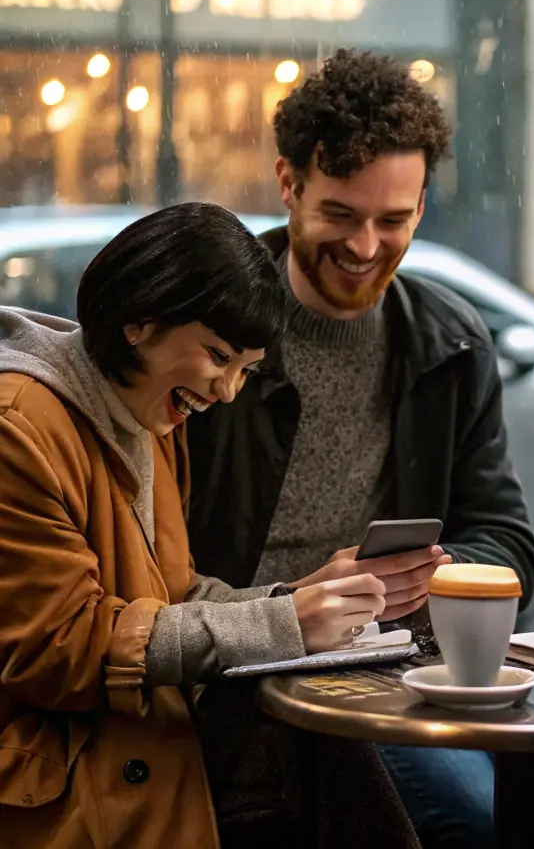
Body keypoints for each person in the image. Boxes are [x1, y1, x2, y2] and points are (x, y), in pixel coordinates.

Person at [185, 48, 534, 849]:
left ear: (422, 205)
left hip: (380, 668)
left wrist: (427, 575)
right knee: (465, 819)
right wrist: (290, 606)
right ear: (288, 184)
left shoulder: (448, 341)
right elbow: (144, 566)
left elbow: (509, 543)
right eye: (341, 215)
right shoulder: (211, 332)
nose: (366, 245)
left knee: (500, 815)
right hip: (230, 668)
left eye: (395, 219)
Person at [0, 203, 418, 849]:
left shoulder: (144, 412)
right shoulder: (19, 428)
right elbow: (61, 649)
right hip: (59, 774)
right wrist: (283, 625)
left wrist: (297, 600)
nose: (226, 392)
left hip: (132, 735)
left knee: (330, 745)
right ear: (139, 322)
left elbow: (175, 595)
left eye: (245, 370)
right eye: (218, 356)